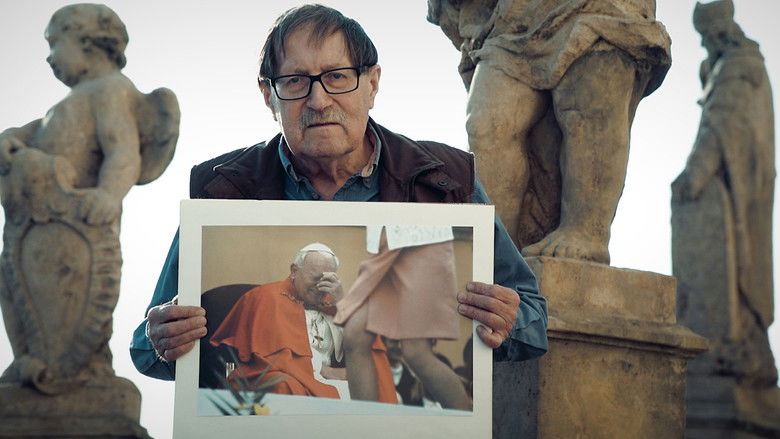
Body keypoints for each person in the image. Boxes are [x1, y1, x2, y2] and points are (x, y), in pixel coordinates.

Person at [130, 4, 547, 383]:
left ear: (372, 83)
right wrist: (161, 339)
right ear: (268, 95)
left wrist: (508, 320)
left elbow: (535, 320)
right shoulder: (221, 191)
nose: (318, 100)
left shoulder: (445, 180)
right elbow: (146, 347)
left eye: (337, 77)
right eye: (295, 80)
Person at [0, 3, 178, 393]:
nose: (49, 57)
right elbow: (30, 132)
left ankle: (70, 370)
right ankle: (30, 359)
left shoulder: (110, 89)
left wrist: (109, 195)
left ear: (86, 40)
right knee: (15, 290)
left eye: (54, 43)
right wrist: (10, 139)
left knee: (69, 302)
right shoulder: (65, 104)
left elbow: (123, 151)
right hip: (36, 228)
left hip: (78, 225)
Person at [427, 0, 671, 264]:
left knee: (588, 106)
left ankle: (586, 233)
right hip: (514, 17)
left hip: (598, 7)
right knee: (486, 126)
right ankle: (493, 250)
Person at [207, 243, 396, 402]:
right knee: (283, 386)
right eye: (315, 278)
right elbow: (271, 358)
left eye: (326, 279)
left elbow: (365, 350)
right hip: (287, 376)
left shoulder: (333, 304)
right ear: (294, 271)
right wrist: (325, 370)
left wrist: (342, 303)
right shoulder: (268, 297)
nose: (320, 286)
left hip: (324, 381)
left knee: (378, 390)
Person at [335, 226, 471, 409]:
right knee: (355, 335)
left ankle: (467, 420)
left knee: (416, 352)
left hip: (422, 239)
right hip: (383, 242)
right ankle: (367, 420)